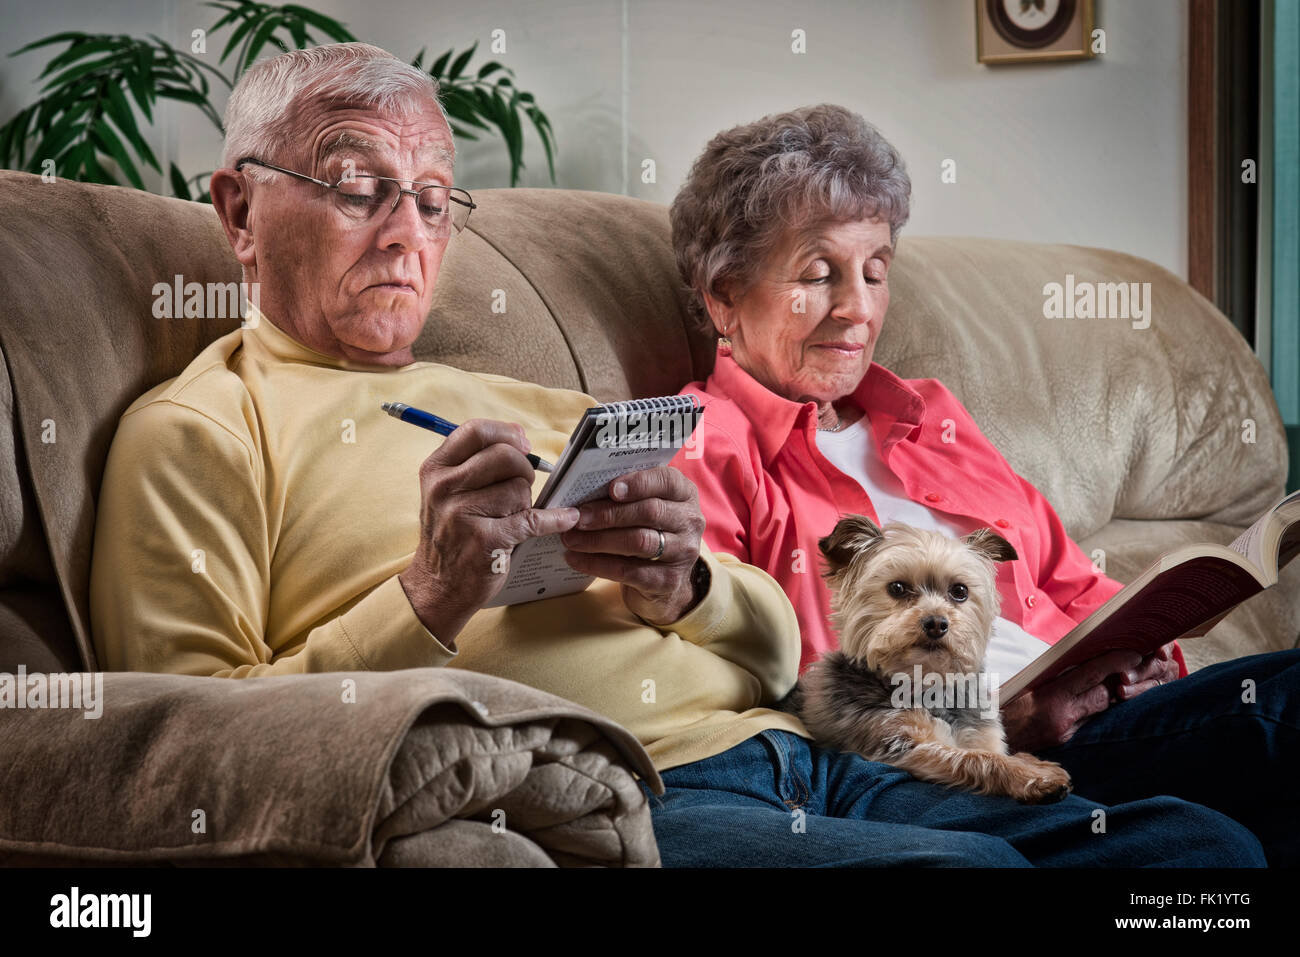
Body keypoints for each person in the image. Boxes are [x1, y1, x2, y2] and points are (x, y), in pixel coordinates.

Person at [88, 47, 1264, 867]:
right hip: (624, 785)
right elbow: (199, 749)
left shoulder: (532, 400)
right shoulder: (197, 433)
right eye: (357, 188)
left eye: (436, 199)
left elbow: (768, 635)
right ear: (238, 214)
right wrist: (428, 595)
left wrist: (689, 585)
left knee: (1195, 850)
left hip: (799, 749)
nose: (406, 233)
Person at [667, 103, 1298, 864]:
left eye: (875, 271)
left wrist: (1144, 657)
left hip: (1101, 717)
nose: (859, 309)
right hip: (943, 756)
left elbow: (1075, 584)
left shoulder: (929, 414)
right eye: (817, 273)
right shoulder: (702, 440)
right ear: (723, 296)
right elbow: (759, 679)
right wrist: (1003, 714)